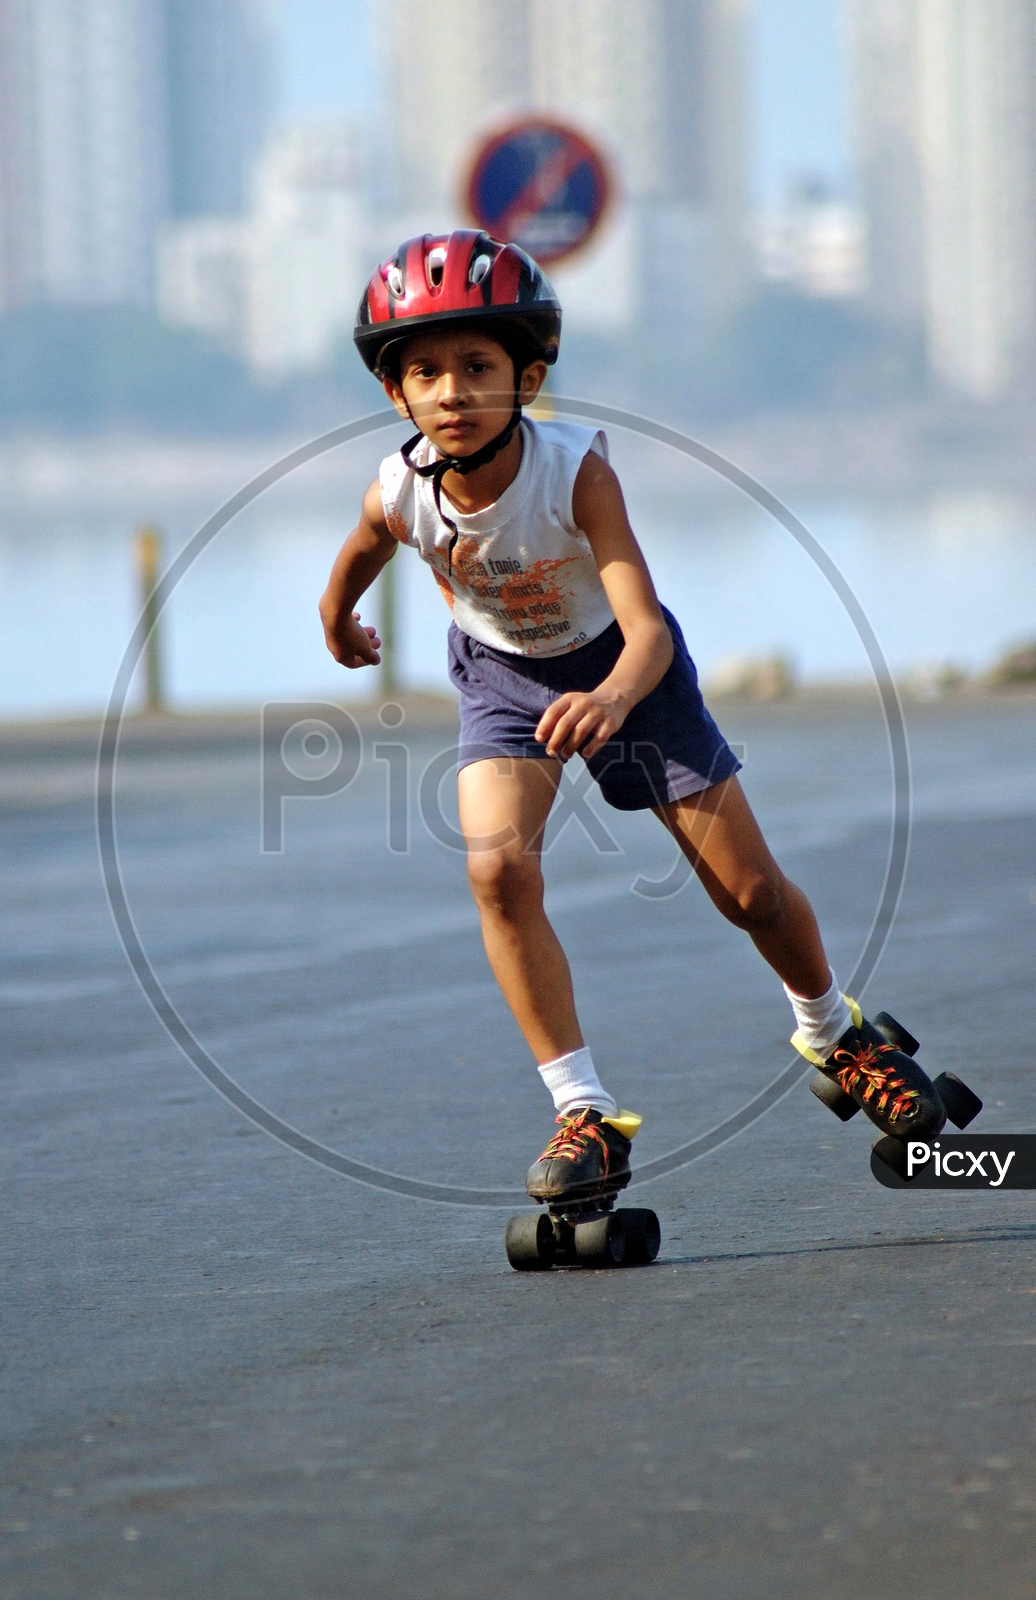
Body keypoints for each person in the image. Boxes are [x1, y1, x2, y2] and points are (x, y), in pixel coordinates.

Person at [318, 229, 958, 1206]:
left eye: (476, 366)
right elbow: (366, 538)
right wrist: (334, 614)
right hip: (501, 679)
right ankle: (584, 1112)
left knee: (746, 895)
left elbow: (647, 628)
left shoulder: (574, 470)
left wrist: (611, 697)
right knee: (494, 868)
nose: (450, 390)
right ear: (394, 392)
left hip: (629, 675)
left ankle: (836, 1033)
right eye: (424, 371)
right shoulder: (400, 485)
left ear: (527, 376)